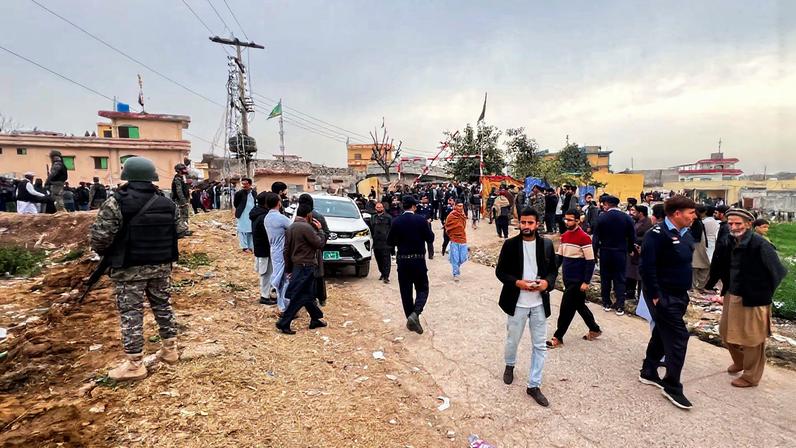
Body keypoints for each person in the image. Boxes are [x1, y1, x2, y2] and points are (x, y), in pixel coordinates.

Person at [89, 157, 179, 381]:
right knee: (163, 307)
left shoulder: (116, 202)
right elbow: (179, 229)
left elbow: (99, 238)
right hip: (161, 265)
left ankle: (135, 364)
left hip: (129, 268)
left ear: (127, 175)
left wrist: (109, 253)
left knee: (131, 314)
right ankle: (170, 349)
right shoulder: (167, 202)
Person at [705, 208, 787, 388]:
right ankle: (740, 361)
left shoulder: (760, 244)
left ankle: (751, 376)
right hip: (732, 294)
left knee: (752, 339)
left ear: (749, 224)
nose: (734, 227)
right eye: (731, 223)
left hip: (754, 298)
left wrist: (761, 291)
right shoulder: (729, 240)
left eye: (738, 224)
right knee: (726, 333)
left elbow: (778, 272)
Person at [638, 195, 697, 410]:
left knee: (662, 332)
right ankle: (672, 385)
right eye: (690, 213)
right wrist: (655, 294)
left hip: (679, 293)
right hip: (662, 295)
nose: (694, 216)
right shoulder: (656, 235)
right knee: (679, 336)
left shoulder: (685, 233)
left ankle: (648, 371)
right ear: (676, 214)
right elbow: (647, 267)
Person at [495, 208, 557, 407]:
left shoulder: (546, 245)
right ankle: (510, 365)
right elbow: (500, 272)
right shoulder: (510, 245)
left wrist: (547, 283)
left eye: (530, 223)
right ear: (518, 223)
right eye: (523, 222)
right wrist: (518, 283)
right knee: (513, 340)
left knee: (539, 345)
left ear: (537, 224)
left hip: (539, 303)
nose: (526, 226)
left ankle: (534, 385)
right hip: (517, 303)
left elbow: (553, 272)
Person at [547, 208, 601, 349]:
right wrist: (550, 272)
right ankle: (594, 328)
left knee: (566, 309)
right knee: (579, 306)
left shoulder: (584, 238)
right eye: (566, 219)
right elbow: (560, 258)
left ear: (578, 220)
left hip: (578, 281)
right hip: (567, 278)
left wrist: (586, 282)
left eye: (570, 219)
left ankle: (558, 337)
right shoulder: (564, 236)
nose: (567, 222)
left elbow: (590, 261)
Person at [276, 203, 327, 334]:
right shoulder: (306, 228)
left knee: (308, 294)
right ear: (309, 214)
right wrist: (320, 230)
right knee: (301, 296)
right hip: (306, 265)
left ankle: (315, 318)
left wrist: (288, 269)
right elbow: (319, 244)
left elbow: (286, 250)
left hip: (297, 265)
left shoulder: (291, 227)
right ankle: (284, 322)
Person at [387, 196, 435, 334]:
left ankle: (411, 317)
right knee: (423, 288)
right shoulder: (421, 220)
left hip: (403, 261)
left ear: (403, 206)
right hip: (418, 260)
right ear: (414, 206)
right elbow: (430, 238)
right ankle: (416, 314)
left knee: (405, 292)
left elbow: (390, 241)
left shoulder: (396, 221)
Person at [592, 195, 635, 315]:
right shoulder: (626, 218)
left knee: (605, 278)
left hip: (605, 251)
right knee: (620, 278)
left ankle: (606, 303)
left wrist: (594, 253)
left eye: (604, 204)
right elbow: (632, 236)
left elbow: (596, 238)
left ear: (607, 204)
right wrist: (630, 249)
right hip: (620, 252)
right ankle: (620, 306)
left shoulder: (602, 217)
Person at [298, 194, 330, 306]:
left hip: (306, 251)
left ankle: (317, 299)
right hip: (314, 249)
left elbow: (325, 233)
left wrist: (319, 242)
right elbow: (327, 233)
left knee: (313, 275)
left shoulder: (313, 216)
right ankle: (318, 299)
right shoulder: (315, 216)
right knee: (317, 275)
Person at [265, 192, 292, 311]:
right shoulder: (280, 218)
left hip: (273, 249)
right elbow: (293, 227)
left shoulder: (267, 217)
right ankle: (283, 305)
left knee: (279, 274)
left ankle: (280, 301)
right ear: (278, 203)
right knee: (284, 278)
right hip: (282, 250)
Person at [251, 192, 275, 305]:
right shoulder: (263, 217)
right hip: (265, 249)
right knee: (266, 273)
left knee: (267, 272)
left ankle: (267, 294)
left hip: (260, 248)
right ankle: (264, 296)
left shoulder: (257, 213)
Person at [625, 205, 653, 301]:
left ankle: (641, 297)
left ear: (640, 213)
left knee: (640, 276)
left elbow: (645, 237)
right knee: (631, 274)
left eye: (635, 211)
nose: (632, 213)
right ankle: (630, 293)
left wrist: (635, 241)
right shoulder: (636, 222)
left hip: (640, 253)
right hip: (633, 253)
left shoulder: (647, 223)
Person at [444, 201, 468, 281]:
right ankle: (456, 273)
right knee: (455, 258)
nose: (460, 208)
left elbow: (464, 225)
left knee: (463, 257)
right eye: (458, 206)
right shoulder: (451, 215)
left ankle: (456, 266)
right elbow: (447, 226)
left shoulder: (463, 215)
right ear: (455, 206)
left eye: (462, 206)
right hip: (454, 239)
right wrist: (451, 234)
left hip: (463, 238)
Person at [370, 202, 393, 283]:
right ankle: (382, 273)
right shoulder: (373, 218)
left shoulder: (388, 217)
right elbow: (371, 228)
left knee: (386, 260)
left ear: (383, 208)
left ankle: (386, 276)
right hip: (376, 242)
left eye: (380, 207)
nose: (379, 208)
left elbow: (392, 229)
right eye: (377, 207)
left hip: (386, 242)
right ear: (375, 208)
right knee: (379, 259)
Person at [691, 206, 711, 290]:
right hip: (698, 247)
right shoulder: (697, 222)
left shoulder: (696, 222)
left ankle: (696, 286)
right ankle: (697, 286)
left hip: (697, 247)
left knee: (697, 267)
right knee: (701, 267)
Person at [233, 178, 256, 252]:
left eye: (245, 184)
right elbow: (236, 203)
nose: (244, 186)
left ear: (250, 184)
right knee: (242, 230)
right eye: (243, 184)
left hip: (251, 214)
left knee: (250, 230)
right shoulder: (239, 193)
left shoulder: (254, 193)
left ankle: (250, 246)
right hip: (242, 214)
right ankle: (244, 247)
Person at [171, 164, 191, 236]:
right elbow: (179, 191)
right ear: (179, 170)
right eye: (183, 169)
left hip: (183, 199)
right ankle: (182, 231)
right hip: (180, 200)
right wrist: (183, 201)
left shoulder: (182, 177)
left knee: (185, 215)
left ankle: (185, 229)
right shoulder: (177, 179)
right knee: (182, 215)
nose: (185, 170)